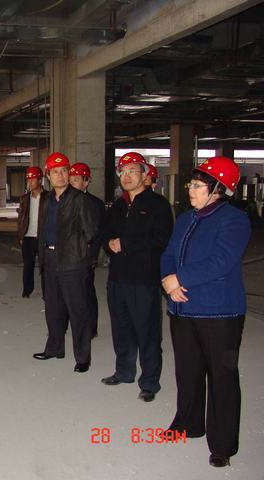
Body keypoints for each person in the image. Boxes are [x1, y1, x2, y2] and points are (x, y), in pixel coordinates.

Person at [161, 156, 249, 468]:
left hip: (219, 312)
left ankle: (222, 445)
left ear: (218, 190)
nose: (191, 190)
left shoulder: (234, 220)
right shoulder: (186, 218)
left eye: (198, 186)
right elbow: (169, 253)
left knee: (222, 377)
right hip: (182, 307)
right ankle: (189, 422)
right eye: (191, 184)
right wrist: (168, 280)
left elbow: (221, 262)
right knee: (187, 370)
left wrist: (180, 279)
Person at [101, 151, 173, 402]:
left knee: (148, 332)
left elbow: (161, 238)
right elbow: (105, 231)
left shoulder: (158, 205)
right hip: (117, 278)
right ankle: (124, 371)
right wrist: (109, 243)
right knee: (121, 328)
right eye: (123, 171)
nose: (127, 176)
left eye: (133, 171)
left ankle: (150, 382)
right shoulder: (118, 205)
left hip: (144, 280)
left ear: (144, 175)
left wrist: (126, 243)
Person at [33, 152, 97, 373]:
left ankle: (82, 357)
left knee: (77, 310)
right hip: (50, 259)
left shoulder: (79, 199)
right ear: (48, 176)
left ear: (68, 174)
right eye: (55, 172)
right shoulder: (47, 200)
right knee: (53, 308)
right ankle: (54, 348)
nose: (60, 175)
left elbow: (91, 231)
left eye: (63, 171)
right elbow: (43, 229)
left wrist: (76, 251)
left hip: (72, 262)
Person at [68, 162, 105, 338]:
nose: (72, 183)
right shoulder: (63, 201)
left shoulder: (95, 204)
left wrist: (92, 257)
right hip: (67, 257)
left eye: (76, 179)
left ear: (86, 181)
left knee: (86, 292)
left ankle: (90, 328)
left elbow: (97, 233)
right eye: (71, 180)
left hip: (85, 257)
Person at [16, 166, 48, 298]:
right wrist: (21, 235)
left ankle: (47, 293)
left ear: (40, 180)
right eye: (28, 179)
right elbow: (21, 218)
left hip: (42, 237)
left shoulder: (48, 197)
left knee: (45, 267)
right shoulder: (24, 198)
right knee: (28, 265)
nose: (30, 182)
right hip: (28, 236)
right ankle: (27, 290)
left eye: (33, 179)